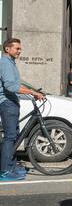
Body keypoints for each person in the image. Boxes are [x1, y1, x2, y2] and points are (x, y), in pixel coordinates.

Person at [0, 38, 44, 181]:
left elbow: (17, 85)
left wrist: (32, 91)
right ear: (7, 49)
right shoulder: (5, 63)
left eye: (20, 48)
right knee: (10, 137)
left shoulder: (10, 63)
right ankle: (5, 171)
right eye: (17, 48)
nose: (20, 51)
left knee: (14, 136)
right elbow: (10, 86)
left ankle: (11, 166)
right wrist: (32, 93)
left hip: (11, 102)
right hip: (7, 104)